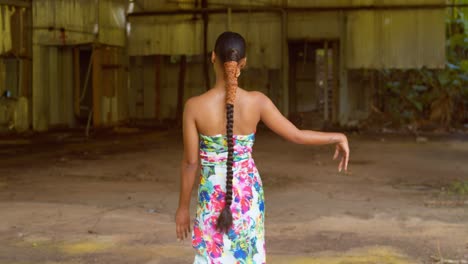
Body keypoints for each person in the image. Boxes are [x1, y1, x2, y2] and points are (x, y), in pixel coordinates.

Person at [175, 31, 350, 264]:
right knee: (248, 256)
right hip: (247, 195)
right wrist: (336, 137)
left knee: (211, 257)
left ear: (213, 57)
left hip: (211, 197)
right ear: (244, 63)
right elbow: (296, 135)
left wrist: (182, 209)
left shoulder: (194, 107)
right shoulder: (257, 102)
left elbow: (190, 163)